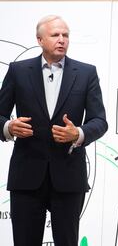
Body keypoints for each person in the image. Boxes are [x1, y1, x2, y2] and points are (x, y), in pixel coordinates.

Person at [0, 15, 108, 246]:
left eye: (65, 35)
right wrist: (9, 127)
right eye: (55, 35)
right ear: (39, 39)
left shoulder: (87, 73)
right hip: (26, 176)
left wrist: (78, 134)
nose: (62, 40)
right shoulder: (18, 71)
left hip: (69, 175)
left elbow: (100, 121)